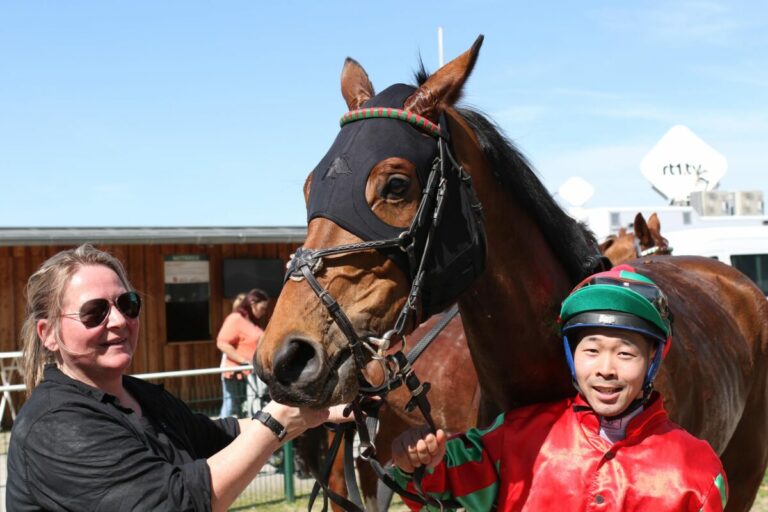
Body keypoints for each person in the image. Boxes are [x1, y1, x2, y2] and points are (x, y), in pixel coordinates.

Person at [7, 244, 349, 511]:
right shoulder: (54, 425)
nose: (119, 321)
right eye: (94, 312)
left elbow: (219, 435)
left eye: (127, 304)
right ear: (48, 334)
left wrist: (322, 410)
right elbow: (176, 504)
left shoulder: (140, 396)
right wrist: (275, 423)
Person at [391, 265, 728, 511]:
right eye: (591, 350)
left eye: (625, 353)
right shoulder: (516, 439)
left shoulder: (697, 471)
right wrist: (417, 462)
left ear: (653, 358)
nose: (606, 369)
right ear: (571, 355)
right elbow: (439, 487)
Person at [217, 290, 268, 418]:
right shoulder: (235, 319)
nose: (263, 312)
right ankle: (217, 431)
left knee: (246, 410)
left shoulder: (251, 322)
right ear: (252, 303)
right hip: (237, 375)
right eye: (262, 308)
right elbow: (222, 343)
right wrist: (243, 361)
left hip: (251, 375)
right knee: (231, 409)